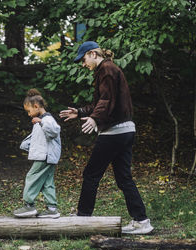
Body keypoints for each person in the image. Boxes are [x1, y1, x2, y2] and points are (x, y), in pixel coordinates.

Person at [59, 41, 153, 234]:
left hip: (114, 133)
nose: (83, 64)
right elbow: (101, 102)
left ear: (93, 54)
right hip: (125, 131)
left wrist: (94, 119)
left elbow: (105, 101)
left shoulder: (107, 69)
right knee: (124, 178)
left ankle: (83, 218)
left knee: (91, 174)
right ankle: (142, 221)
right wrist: (79, 111)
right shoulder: (107, 70)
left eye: (83, 59)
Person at [14, 88, 62, 219]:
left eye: (29, 111)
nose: (29, 114)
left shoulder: (47, 119)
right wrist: (26, 145)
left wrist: (41, 122)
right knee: (47, 182)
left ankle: (29, 205)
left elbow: (54, 131)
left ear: (36, 106)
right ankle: (52, 208)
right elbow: (39, 139)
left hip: (45, 157)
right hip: (47, 156)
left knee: (32, 176)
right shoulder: (41, 121)